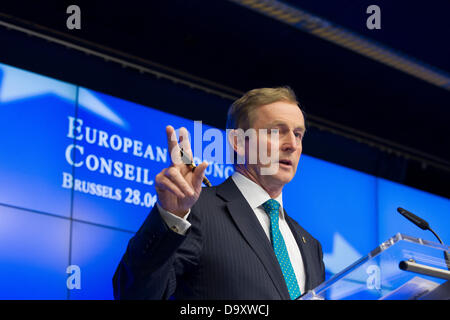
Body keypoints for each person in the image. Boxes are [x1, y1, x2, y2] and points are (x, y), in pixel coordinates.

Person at [113, 87, 325, 300]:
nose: (292, 145)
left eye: (298, 134)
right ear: (238, 142)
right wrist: (172, 217)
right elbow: (134, 294)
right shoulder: (195, 212)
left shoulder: (311, 246)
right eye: (276, 132)